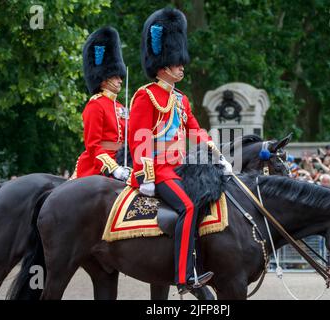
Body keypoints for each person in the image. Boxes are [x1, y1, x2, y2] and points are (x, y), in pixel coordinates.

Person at [128, 8, 233, 295]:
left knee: (204, 202)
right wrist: (145, 173)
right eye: (177, 63)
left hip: (178, 168)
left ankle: (198, 262)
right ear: (163, 65)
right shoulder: (146, 95)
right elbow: (138, 139)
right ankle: (184, 275)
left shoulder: (181, 100)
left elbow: (196, 131)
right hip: (158, 170)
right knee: (187, 206)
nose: (182, 68)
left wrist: (218, 156)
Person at [70, 27, 130, 181]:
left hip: (123, 163)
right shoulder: (96, 105)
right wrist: (113, 168)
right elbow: (93, 145)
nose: (120, 80)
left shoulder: (121, 107)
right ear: (103, 77)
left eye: (120, 76)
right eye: (115, 76)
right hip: (97, 167)